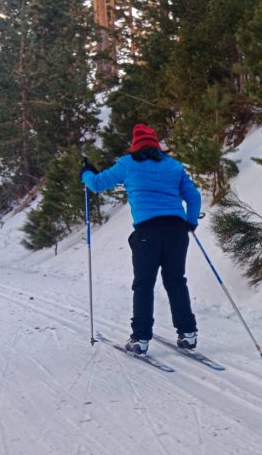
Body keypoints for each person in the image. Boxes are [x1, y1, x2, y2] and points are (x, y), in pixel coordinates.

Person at [81, 123, 202, 355]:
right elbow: (194, 197)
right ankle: (188, 333)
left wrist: (86, 172)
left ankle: (141, 338)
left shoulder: (127, 163)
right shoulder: (174, 165)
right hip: (176, 230)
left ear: (134, 145)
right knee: (176, 280)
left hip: (147, 231)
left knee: (144, 283)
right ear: (156, 145)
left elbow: (96, 184)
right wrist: (191, 221)